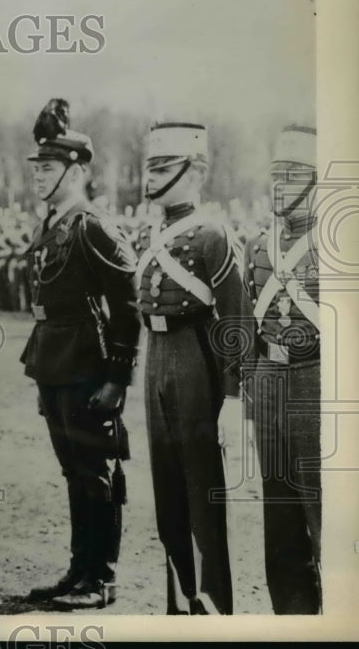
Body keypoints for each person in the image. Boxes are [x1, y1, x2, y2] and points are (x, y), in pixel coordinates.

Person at [21, 98, 140, 610]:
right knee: (74, 471)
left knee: (97, 473)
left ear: (78, 170)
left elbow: (128, 306)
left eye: (48, 168)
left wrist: (117, 378)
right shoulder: (52, 226)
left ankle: (102, 578)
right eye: (37, 168)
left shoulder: (93, 225)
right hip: (54, 360)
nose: (39, 177)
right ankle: (79, 570)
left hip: (89, 365)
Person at [133, 122, 245, 614]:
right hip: (155, 358)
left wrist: (234, 396)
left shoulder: (214, 233)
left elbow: (235, 318)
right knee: (167, 491)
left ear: (195, 170)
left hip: (193, 357)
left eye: (164, 167)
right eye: (151, 167)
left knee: (201, 491)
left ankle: (212, 606)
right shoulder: (151, 230)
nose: (152, 177)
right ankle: (178, 606)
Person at [242, 124, 321, 613]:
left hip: (319, 384)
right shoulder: (256, 246)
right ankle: (292, 617)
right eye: (275, 174)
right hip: (269, 385)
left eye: (293, 174)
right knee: (281, 513)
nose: (280, 184)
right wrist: (250, 385)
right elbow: (250, 322)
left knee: (326, 513)